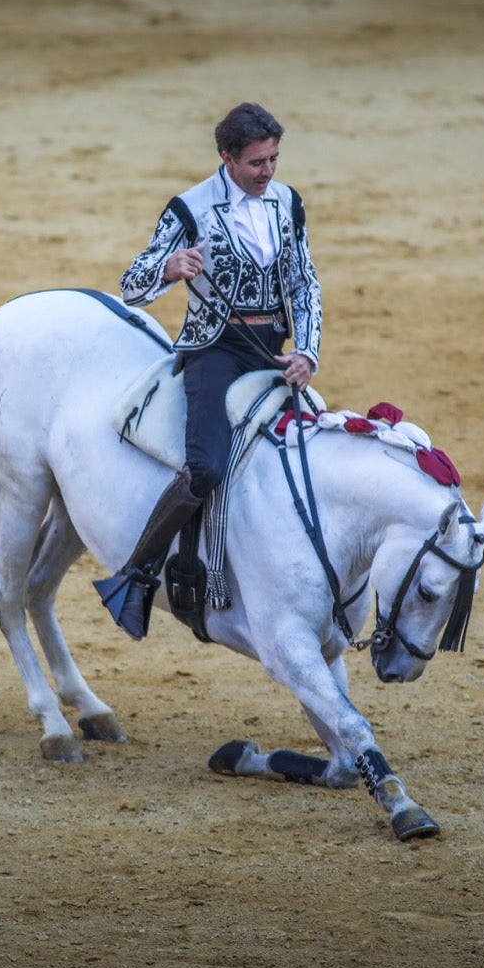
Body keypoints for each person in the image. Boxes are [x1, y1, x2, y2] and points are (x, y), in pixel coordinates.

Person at [95, 101, 322, 639]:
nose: (268, 172)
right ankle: (137, 575)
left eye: (273, 160)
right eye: (257, 163)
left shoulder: (287, 203)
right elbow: (132, 285)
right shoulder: (190, 209)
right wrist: (171, 269)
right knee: (207, 467)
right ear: (227, 158)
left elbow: (304, 283)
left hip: (271, 349)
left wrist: (308, 352)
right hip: (214, 348)